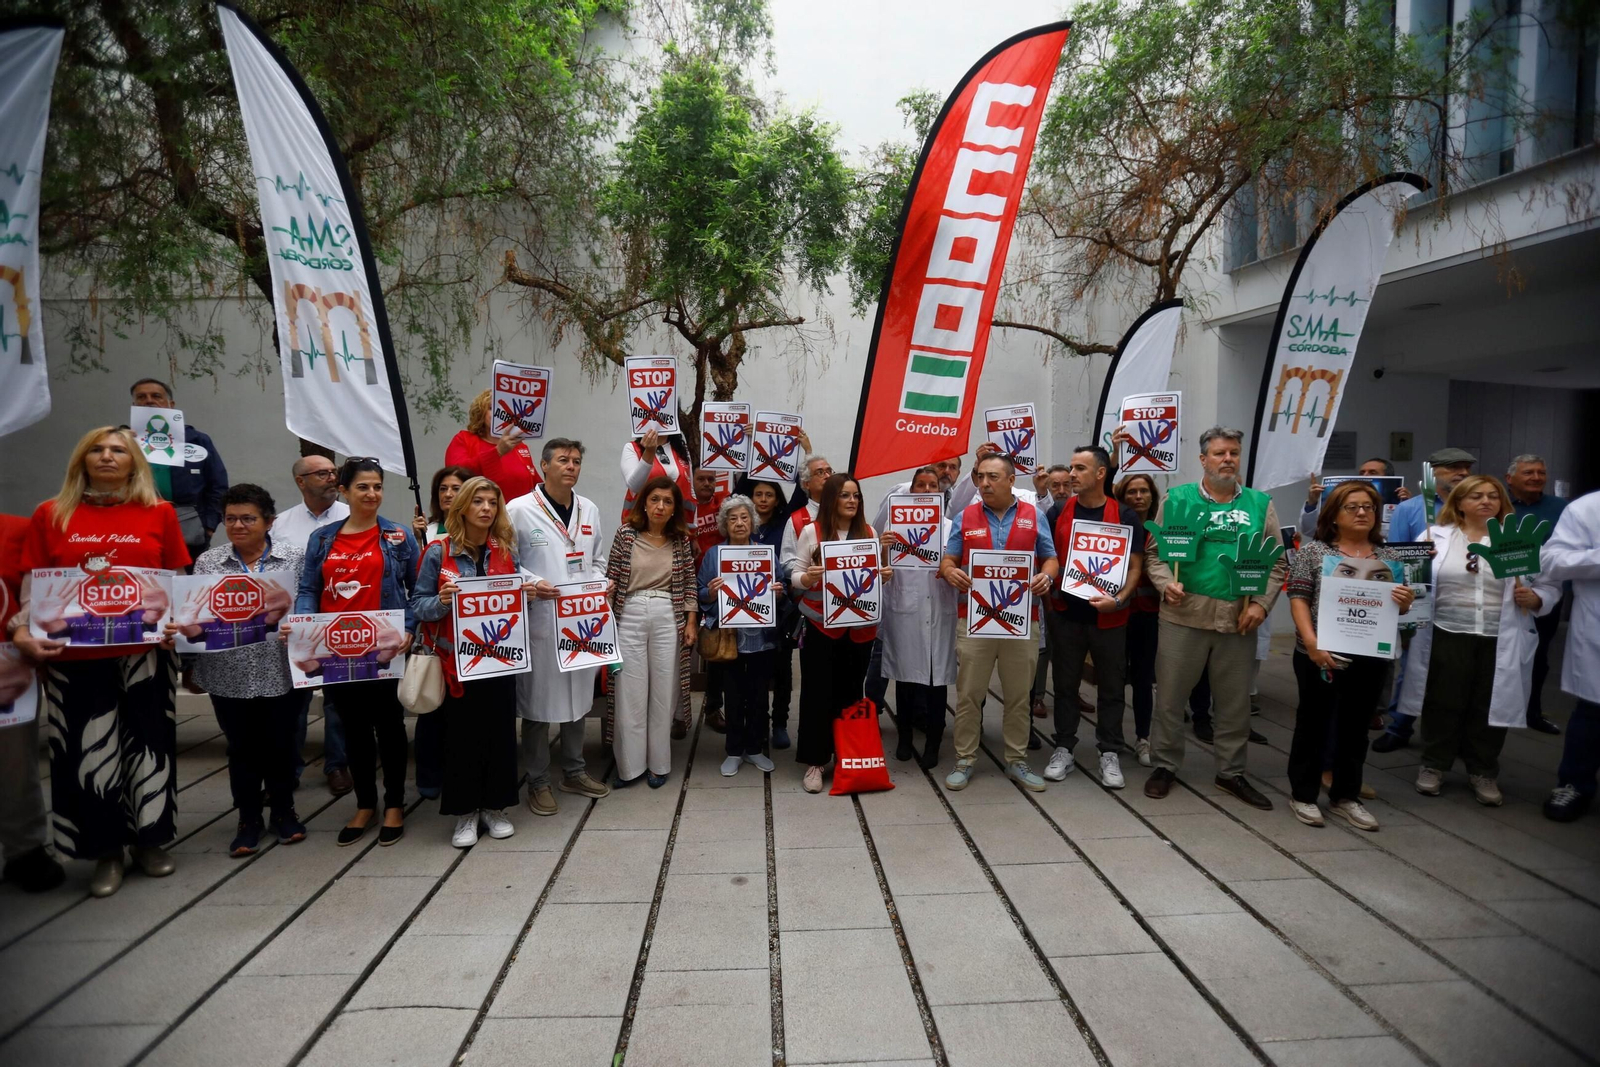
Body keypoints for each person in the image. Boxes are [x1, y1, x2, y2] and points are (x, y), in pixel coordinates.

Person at [10, 426, 190, 897]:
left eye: (118, 450)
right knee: (86, 753)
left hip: (145, 654)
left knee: (150, 745)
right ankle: (104, 851)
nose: (107, 456)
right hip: (75, 656)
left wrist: (175, 623)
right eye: (97, 448)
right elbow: (33, 588)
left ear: (134, 462)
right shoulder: (51, 513)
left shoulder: (160, 512)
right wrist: (20, 631)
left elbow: (174, 581)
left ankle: (150, 842)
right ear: (81, 458)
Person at [1141, 426, 1287, 809]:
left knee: (1234, 703)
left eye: (1234, 453)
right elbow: (1156, 556)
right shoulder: (1178, 499)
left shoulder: (1260, 504)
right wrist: (1162, 584)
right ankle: (1165, 765)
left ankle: (1231, 773)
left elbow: (1276, 563)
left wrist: (1261, 605)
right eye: (1220, 453)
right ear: (1203, 460)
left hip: (1238, 618)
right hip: (1183, 615)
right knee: (1171, 699)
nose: (1228, 460)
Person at [1397, 475, 1559, 804]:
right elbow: (1411, 581)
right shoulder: (1436, 537)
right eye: (1476, 496)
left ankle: (1483, 770)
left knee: (1489, 704)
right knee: (1442, 701)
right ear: (1458, 503)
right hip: (1446, 631)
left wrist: (1537, 598)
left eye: (1493, 496)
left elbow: (1549, 584)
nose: (1486, 501)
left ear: (1502, 503)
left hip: (1499, 636)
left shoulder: (1517, 540)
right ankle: (1434, 764)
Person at [170, 484, 306, 857]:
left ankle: (283, 812)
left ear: (269, 522)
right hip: (227, 672)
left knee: (281, 744)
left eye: (248, 518)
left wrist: (301, 625)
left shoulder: (294, 559)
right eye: (231, 519)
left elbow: (310, 605)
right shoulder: (208, 564)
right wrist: (189, 658)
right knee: (241, 748)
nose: (238, 526)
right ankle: (247, 819)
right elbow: (195, 616)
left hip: (281, 670)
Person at [291, 458, 418, 847]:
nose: (373, 494)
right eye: (363, 487)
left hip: (382, 648)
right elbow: (310, 588)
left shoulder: (397, 536)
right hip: (336, 650)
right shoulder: (324, 538)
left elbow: (419, 588)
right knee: (354, 728)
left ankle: (394, 804)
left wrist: (411, 628)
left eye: (378, 486)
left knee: (390, 726)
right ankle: (366, 804)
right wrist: (303, 627)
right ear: (344, 492)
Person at [1285, 482, 1415, 830]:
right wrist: (1311, 643)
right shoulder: (1315, 553)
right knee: (1313, 723)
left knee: (1356, 728)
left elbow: (1397, 613)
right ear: (1335, 515)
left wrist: (1404, 603)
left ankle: (1345, 796)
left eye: (1368, 507)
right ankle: (1303, 795)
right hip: (1319, 653)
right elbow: (1298, 597)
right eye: (1352, 507)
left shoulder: (1390, 558)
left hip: (1370, 656)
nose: (1361, 513)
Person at [412, 477, 532, 847]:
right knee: (461, 739)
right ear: (462, 506)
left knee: (499, 735)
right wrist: (443, 601)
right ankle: (465, 814)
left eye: (492, 503)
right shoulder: (438, 551)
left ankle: (495, 808)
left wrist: (523, 592)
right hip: (456, 663)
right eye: (478, 501)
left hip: (499, 660)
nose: (485, 509)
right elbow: (417, 606)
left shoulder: (505, 550)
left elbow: (513, 602)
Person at [939, 453, 1059, 792]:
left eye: (993, 477)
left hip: (1020, 621)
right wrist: (951, 571)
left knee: (1019, 694)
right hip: (975, 621)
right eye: (981, 477)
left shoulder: (1033, 516)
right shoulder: (966, 516)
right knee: (968, 694)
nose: (985, 483)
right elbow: (949, 559)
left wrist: (1045, 578)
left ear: (1011, 481)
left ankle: (1017, 760)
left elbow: (1050, 558)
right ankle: (965, 759)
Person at [508, 438, 612, 816]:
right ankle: (538, 780)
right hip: (541, 620)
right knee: (537, 705)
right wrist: (532, 583)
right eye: (564, 460)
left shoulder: (590, 509)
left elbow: (597, 559)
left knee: (578, 700)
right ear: (544, 465)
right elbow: (506, 563)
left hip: (581, 622)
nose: (571, 467)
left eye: (577, 461)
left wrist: (601, 583)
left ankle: (574, 770)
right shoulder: (518, 510)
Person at [1044, 446, 1144, 788]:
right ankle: (1064, 746)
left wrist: (1119, 599)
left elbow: (1135, 566)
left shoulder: (1126, 516)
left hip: (1109, 618)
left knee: (1112, 686)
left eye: (1080, 468)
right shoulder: (1058, 510)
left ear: (1100, 473)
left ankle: (1109, 751)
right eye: (1071, 467)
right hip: (1066, 615)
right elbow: (1048, 556)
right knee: (1065, 684)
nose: (1071, 474)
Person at [789, 472, 892, 794]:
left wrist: (884, 575)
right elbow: (793, 571)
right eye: (845, 495)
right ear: (832, 499)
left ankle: (849, 757)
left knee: (851, 694)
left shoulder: (870, 532)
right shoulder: (811, 531)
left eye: (856, 496)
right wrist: (806, 578)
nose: (851, 501)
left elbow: (872, 580)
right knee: (817, 692)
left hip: (859, 629)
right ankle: (816, 761)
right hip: (821, 627)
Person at [1373, 446, 1477, 753]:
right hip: (1422, 597)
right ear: (1433, 474)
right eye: (1454, 468)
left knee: (1458, 670)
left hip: (1463, 599)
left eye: (1467, 468)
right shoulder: (1411, 509)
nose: (1463, 473)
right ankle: (1400, 725)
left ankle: (1455, 733)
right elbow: (1396, 556)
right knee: (1412, 664)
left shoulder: (1475, 507)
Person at [606, 475, 698, 788]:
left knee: (664, 690)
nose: (660, 506)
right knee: (629, 690)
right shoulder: (626, 534)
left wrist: (691, 621)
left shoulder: (680, 540)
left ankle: (659, 765)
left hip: (667, 614)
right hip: (629, 612)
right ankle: (629, 767)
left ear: (675, 509)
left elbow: (689, 584)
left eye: (668, 501)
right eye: (655, 499)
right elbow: (611, 579)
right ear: (644, 502)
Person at [270, 455, 352, 798]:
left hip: (339, 619)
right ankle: (289, 768)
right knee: (296, 699)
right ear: (301, 481)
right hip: (297, 622)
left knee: (338, 701)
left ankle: (337, 764)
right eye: (322, 473)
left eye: (334, 472)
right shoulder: (281, 524)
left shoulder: (352, 516)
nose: (331, 477)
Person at [875, 466, 957, 768]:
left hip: (939, 610)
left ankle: (934, 741)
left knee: (938, 682)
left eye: (932, 485)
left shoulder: (951, 526)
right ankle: (905, 737)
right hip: (905, 611)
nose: (925, 490)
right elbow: (881, 572)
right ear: (910, 490)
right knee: (905, 679)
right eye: (919, 485)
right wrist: (883, 550)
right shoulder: (892, 528)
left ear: (941, 491)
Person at [0, 513, 64, 892]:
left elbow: (36, 591)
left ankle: (24, 849)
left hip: (8, 669)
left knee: (14, 764)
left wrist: (30, 635)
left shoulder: (18, 529)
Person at [698, 494, 779, 777]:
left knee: (758, 696)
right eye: (732, 519)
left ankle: (755, 748)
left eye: (744, 517)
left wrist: (778, 593)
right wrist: (711, 591)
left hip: (761, 639)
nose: (739, 523)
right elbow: (698, 594)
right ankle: (733, 750)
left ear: (753, 522)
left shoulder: (765, 552)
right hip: (729, 638)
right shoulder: (713, 555)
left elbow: (780, 589)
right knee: (732, 696)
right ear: (725, 524)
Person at [1540, 491, 1599, 821]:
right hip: (1598, 632)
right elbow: (1552, 560)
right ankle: (1575, 784)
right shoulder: (1588, 508)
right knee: (1592, 715)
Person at [130, 378, 228, 562]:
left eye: (156, 396)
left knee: (186, 582)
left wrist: (209, 525)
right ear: (134, 405)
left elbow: (218, 485)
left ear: (171, 404)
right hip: (137, 524)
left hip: (189, 527)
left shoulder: (197, 440)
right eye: (141, 397)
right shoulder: (123, 442)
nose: (149, 400)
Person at [1506, 454, 1568, 735]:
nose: (1536, 478)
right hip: (1505, 593)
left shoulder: (1562, 508)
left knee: (1540, 654)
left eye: (1541, 473)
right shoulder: (1498, 505)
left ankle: (1532, 711)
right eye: (1528, 472)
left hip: (1544, 591)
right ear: (1510, 479)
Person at [1114, 474, 1161, 766]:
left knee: (1144, 679)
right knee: (1115, 677)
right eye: (1132, 491)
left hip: (1151, 615)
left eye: (1144, 491)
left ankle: (1143, 737)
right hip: (1120, 612)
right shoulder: (1117, 527)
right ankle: (1113, 735)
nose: (1138, 496)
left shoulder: (1163, 529)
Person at [748, 478, 797, 750]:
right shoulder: (743, 522)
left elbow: (801, 492)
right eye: (758, 494)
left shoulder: (785, 522)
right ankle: (758, 721)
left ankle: (779, 722)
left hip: (780, 607)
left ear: (777, 499)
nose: (763, 499)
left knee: (782, 668)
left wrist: (804, 449)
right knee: (757, 668)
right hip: (748, 610)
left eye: (769, 495)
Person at [445, 389, 541, 501]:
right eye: (491, 408)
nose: (498, 413)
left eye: (504, 408)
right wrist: (497, 452)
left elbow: (535, 486)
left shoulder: (519, 446)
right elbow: (456, 475)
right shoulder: (464, 439)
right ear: (480, 413)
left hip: (516, 516)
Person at [1299, 457, 1412, 541]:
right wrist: (1312, 503)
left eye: (1372, 472)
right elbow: (1310, 530)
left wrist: (1408, 506)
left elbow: (1409, 534)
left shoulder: (1401, 502)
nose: (1365, 476)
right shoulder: (1342, 497)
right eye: (1352, 507)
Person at [413, 466, 472, 546]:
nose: (447, 494)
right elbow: (420, 558)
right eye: (443, 489)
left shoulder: (479, 530)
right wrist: (418, 540)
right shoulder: (427, 533)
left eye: (456, 489)